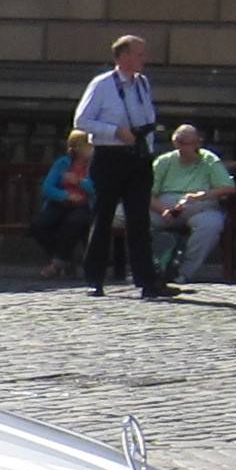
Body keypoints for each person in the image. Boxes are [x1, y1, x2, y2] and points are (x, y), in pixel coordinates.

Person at [71, 35, 170, 300]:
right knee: (102, 218)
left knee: (139, 220)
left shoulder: (143, 84)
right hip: (109, 157)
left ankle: (147, 280)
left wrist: (144, 146)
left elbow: (147, 119)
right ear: (123, 56)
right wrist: (115, 132)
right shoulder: (102, 85)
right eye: (139, 54)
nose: (144, 59)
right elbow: (82, 120)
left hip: (137, 158)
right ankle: (95, 279)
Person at [150, 126, 236, 285]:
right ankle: (152, 268)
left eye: (195, 143)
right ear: (176, 144)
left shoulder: (208, 159)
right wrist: (163, 210)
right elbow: (148, 194)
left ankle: (183, 272)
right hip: (167, 206)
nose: (192, 148)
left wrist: (201, 195)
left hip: (200, 204)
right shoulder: (164, 162)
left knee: (211, 224)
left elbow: (228, 187)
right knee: (137, 218)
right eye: (184, 143)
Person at [32, 133, 94, 277]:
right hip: (62, 203)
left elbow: (98, 189)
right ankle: (65, 259)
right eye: (88, 145)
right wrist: (66, 196)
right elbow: (47, 187)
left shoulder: (95, 165)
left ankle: (56, 264)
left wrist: (80, 182)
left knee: (73, 222)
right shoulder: (63, 163)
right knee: (38, 224)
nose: (92, 148)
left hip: (85, 206)